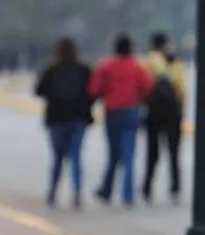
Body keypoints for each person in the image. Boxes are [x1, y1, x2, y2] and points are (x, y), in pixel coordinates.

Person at [89, 33, 153, 207]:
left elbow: (95, 90)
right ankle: (128, 194)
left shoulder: (106, 66)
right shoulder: (137, 67)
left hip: (113, 111)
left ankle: (107, 189)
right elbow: (148, 87)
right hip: (132, 111)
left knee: (113, 154)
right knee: (129, 153)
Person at [34, 37, 93, 209]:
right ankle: (76, 192)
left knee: (57, 158)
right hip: (78, 118)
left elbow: (38, 91)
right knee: (76, 157)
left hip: (56, 118)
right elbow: (92, 93)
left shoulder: (51, 70)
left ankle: (52, 192)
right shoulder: (84, 70)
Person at [140, 32, 187, 204]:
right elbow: (182, 91)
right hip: (173, 113)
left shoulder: (148, 62)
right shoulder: (176, 64)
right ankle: (175, 187)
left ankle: (147, 187)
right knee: (174, 153)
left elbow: (144, 87)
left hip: (154, 112)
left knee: (152, 153)